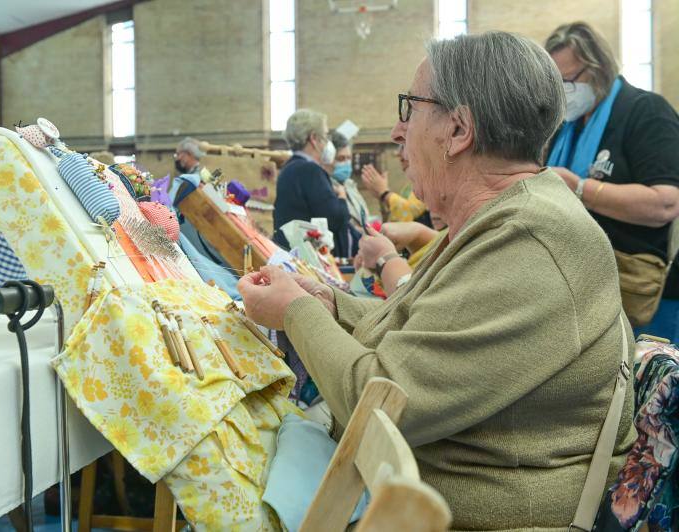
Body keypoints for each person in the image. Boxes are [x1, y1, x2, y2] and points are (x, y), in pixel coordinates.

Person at [238, 31, 635, 528]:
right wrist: (331, 305)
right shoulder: (506, 218)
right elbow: (422, 323)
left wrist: (294, 312)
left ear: (459, 130)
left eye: (410, 108)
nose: (399, 132)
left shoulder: (531, 240)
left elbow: (382, 399)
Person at [544, 22, 679, 341]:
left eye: (568, 80)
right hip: (584, 289)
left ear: (598, 68)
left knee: (650, 384)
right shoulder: (566, 127)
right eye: (554, 83)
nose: (562, 91)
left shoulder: (645, 112)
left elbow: (665, 202)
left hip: (644, 289)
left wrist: (579, 188)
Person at [273, 109, 352, 258]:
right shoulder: (310, 170)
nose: (327, 142)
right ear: (314, 138)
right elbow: (334, 218)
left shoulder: (289, 168)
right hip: (309, 257)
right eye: (326, 135)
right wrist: (341, 197)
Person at [360, 145, 427, 223]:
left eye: (405, 159)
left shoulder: (429, 182)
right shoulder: (408, 187)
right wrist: (382, 197)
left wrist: (385, 193)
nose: (403, 165)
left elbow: (410, 212)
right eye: (401, 160)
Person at [329, 131, 372, 236]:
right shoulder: (326, 187)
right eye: (341, 158)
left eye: (349, 158)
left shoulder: (350, 185)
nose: (346, 163)